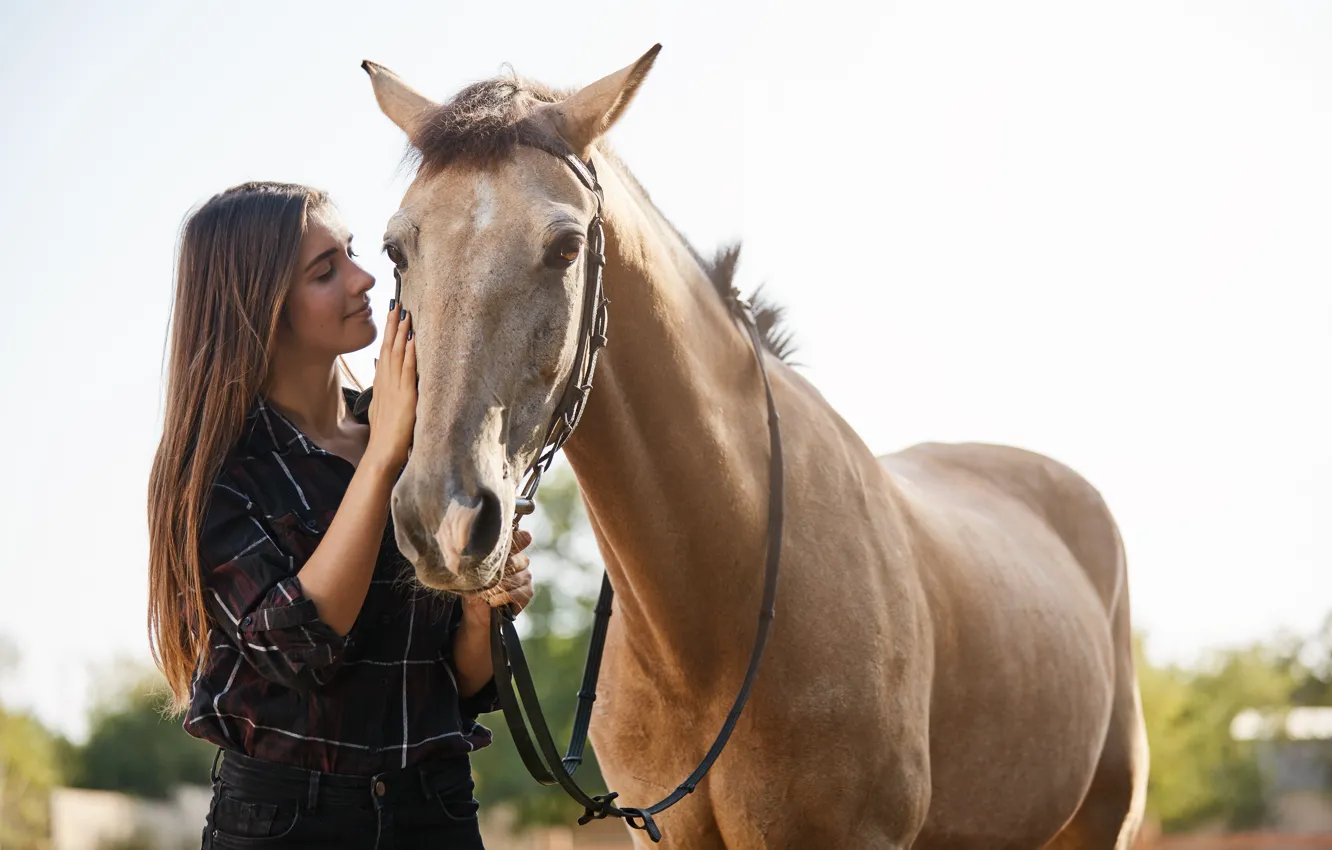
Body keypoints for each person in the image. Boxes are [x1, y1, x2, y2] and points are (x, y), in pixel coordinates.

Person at [146, 181, 534, 849]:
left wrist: (481, 610)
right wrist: (381, 456)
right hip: (285, 822)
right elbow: (301, 650)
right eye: (326, 270)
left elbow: (457, 683)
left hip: (434, 810)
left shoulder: (421, 446)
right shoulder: (218, 476)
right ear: (260, 307)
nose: (363, 279)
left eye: (352, 253)